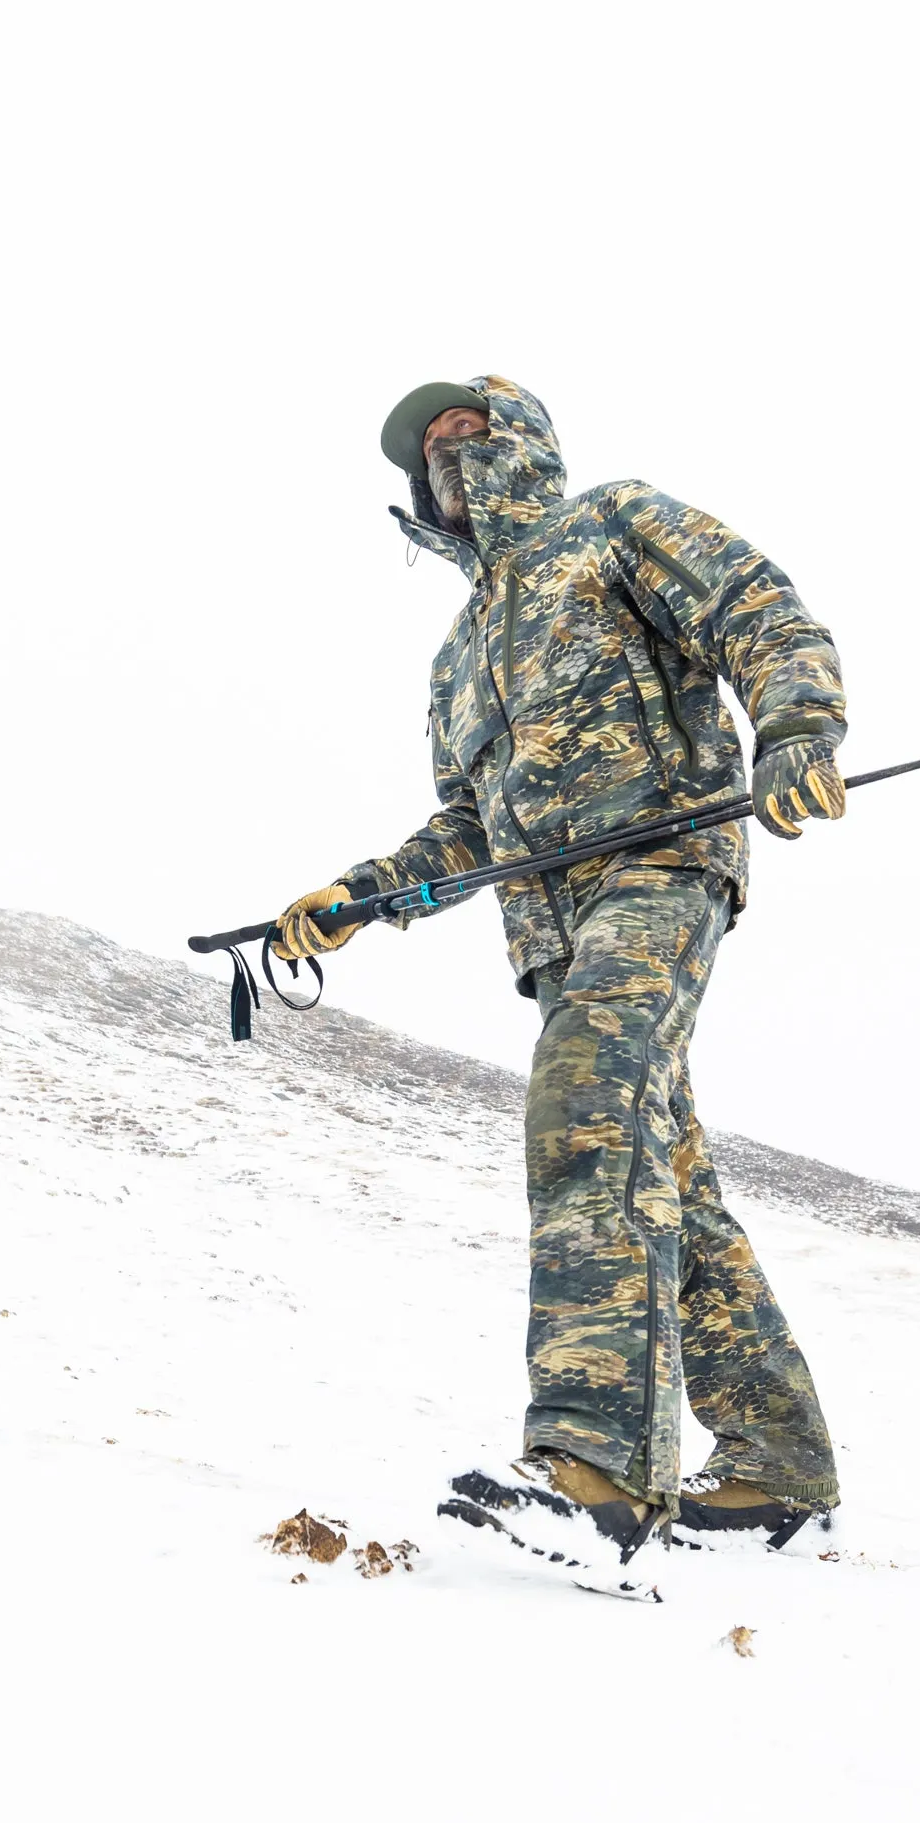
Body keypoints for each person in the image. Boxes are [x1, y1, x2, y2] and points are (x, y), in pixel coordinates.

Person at [276, 376, 846, 1596]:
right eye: (424, 450)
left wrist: (798, 733)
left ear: (522, 438)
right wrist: (359, 898)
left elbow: (757, 612)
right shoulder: (457, 659)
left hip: (661, 863)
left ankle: (594, 1469)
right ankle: (779, 1466)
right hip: (556, 930)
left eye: (463, 429)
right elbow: (470, 830)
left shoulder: (613, 524)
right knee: (664, 1182)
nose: (444, 455)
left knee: (585, 1109)